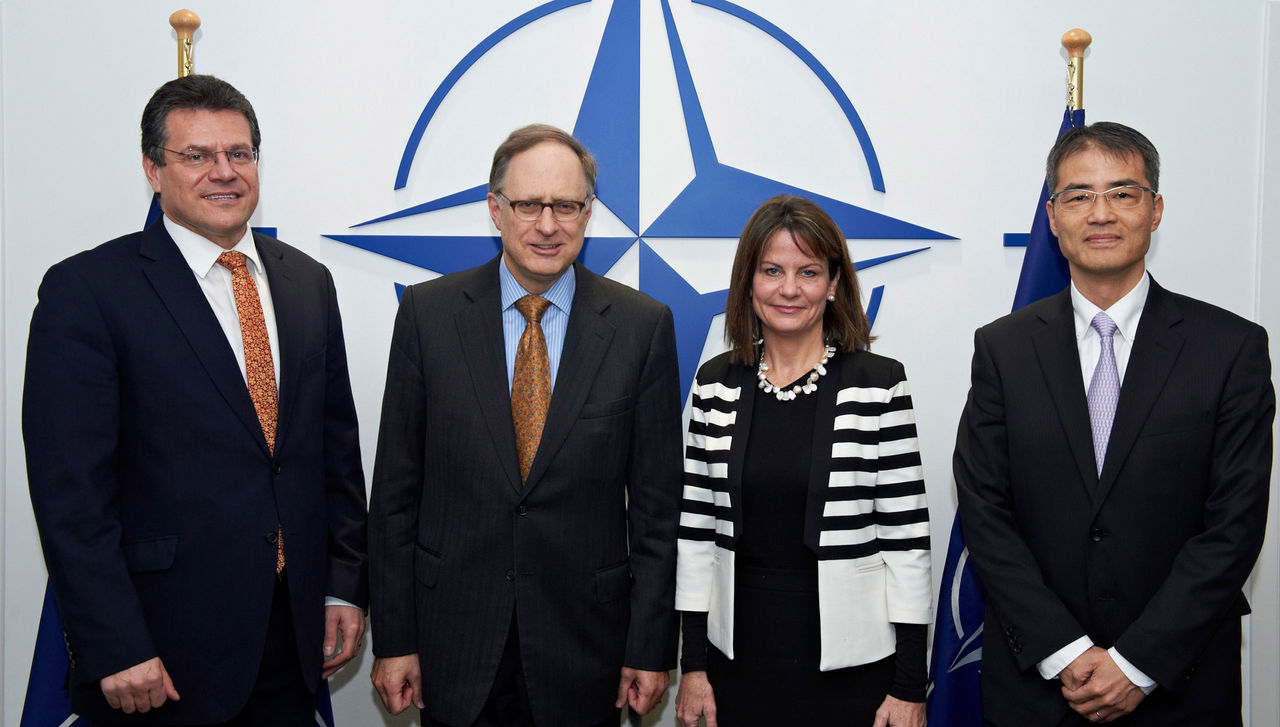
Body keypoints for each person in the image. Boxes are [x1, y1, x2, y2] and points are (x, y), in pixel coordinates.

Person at [22, 74, 368, 725]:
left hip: (292, 644)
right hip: (158, 656)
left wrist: (343, 586)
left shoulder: (307, 283)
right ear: (154, 169)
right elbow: (71, 493)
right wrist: (114, 643)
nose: (224, 172)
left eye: (239, 153)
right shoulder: (89, 291)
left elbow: (334, 453)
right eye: (196, 156)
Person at [955, 122, 1274, 726]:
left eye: (1122, 193)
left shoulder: (1230, 348)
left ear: (1155, 210)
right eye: (1079, 196)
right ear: (1053, 217)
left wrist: (1136, 664)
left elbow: (1233, 526)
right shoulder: (1003, 348)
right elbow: (985, 509)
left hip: (1179, 687)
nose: (1100, 213)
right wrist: (1066, 650)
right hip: (1039, 689)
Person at [367, 123, 683, 726]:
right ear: (495, 209)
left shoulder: (642, 328)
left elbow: (655, 512)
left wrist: (649, 645)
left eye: (565, 205)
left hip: (584, 650)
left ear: (588, 213)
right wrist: (396, 638)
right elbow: (394, 498)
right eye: (528, 204)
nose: (547, 224)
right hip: (451, 645)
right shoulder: (428, 317)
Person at [674, 195, 932, 727]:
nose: (789, 289)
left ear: (834, 283)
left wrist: (909, 683)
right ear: (749, 281)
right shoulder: (714, 384)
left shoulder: (880, 384)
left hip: (854, 669)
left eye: (808, 272)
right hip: (735, 665)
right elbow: (696, 536)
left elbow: (907, 544)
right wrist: (693, 668)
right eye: (772, 270)